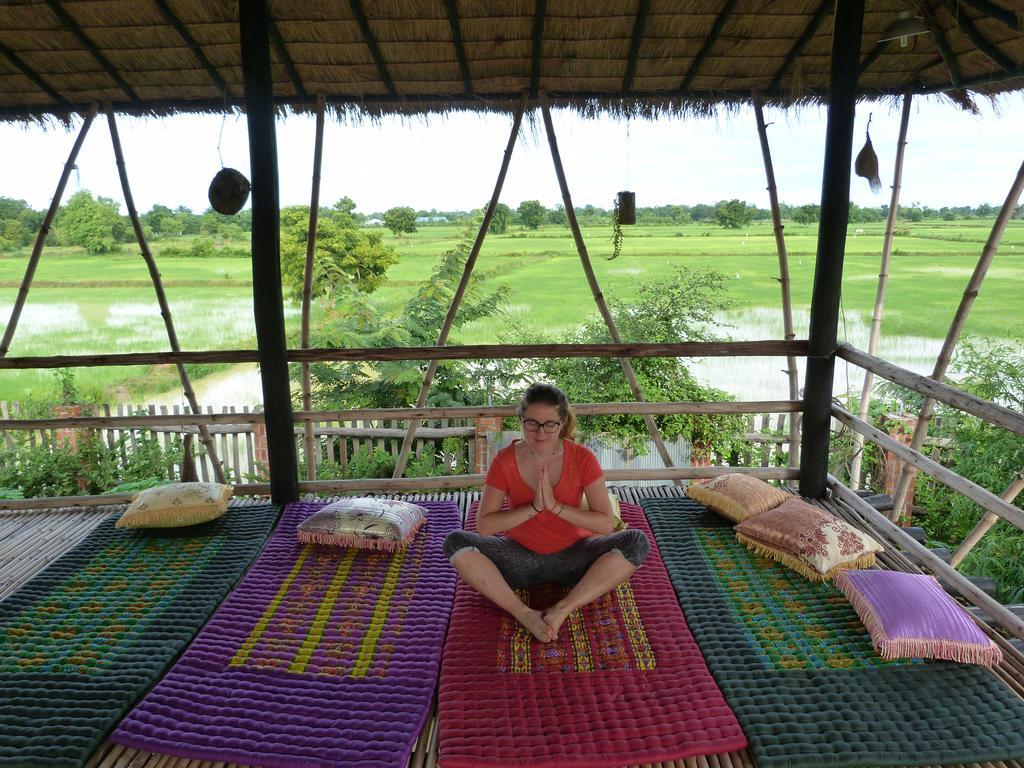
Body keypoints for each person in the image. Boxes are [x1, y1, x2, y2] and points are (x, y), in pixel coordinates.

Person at [443, 382, 650, 643]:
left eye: (549, 424)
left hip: (576, 557)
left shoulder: (582, 458)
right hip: (518, 558)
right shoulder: (504, 460)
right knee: (456, 542)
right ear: (521, 420)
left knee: (636, 542)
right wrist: (534, 508)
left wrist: (555, 507)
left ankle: (562, 609)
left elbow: (606, 524)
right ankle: (524, 614)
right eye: (532, 423)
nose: (541, 433)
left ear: (562, 422)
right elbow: (484, 527)